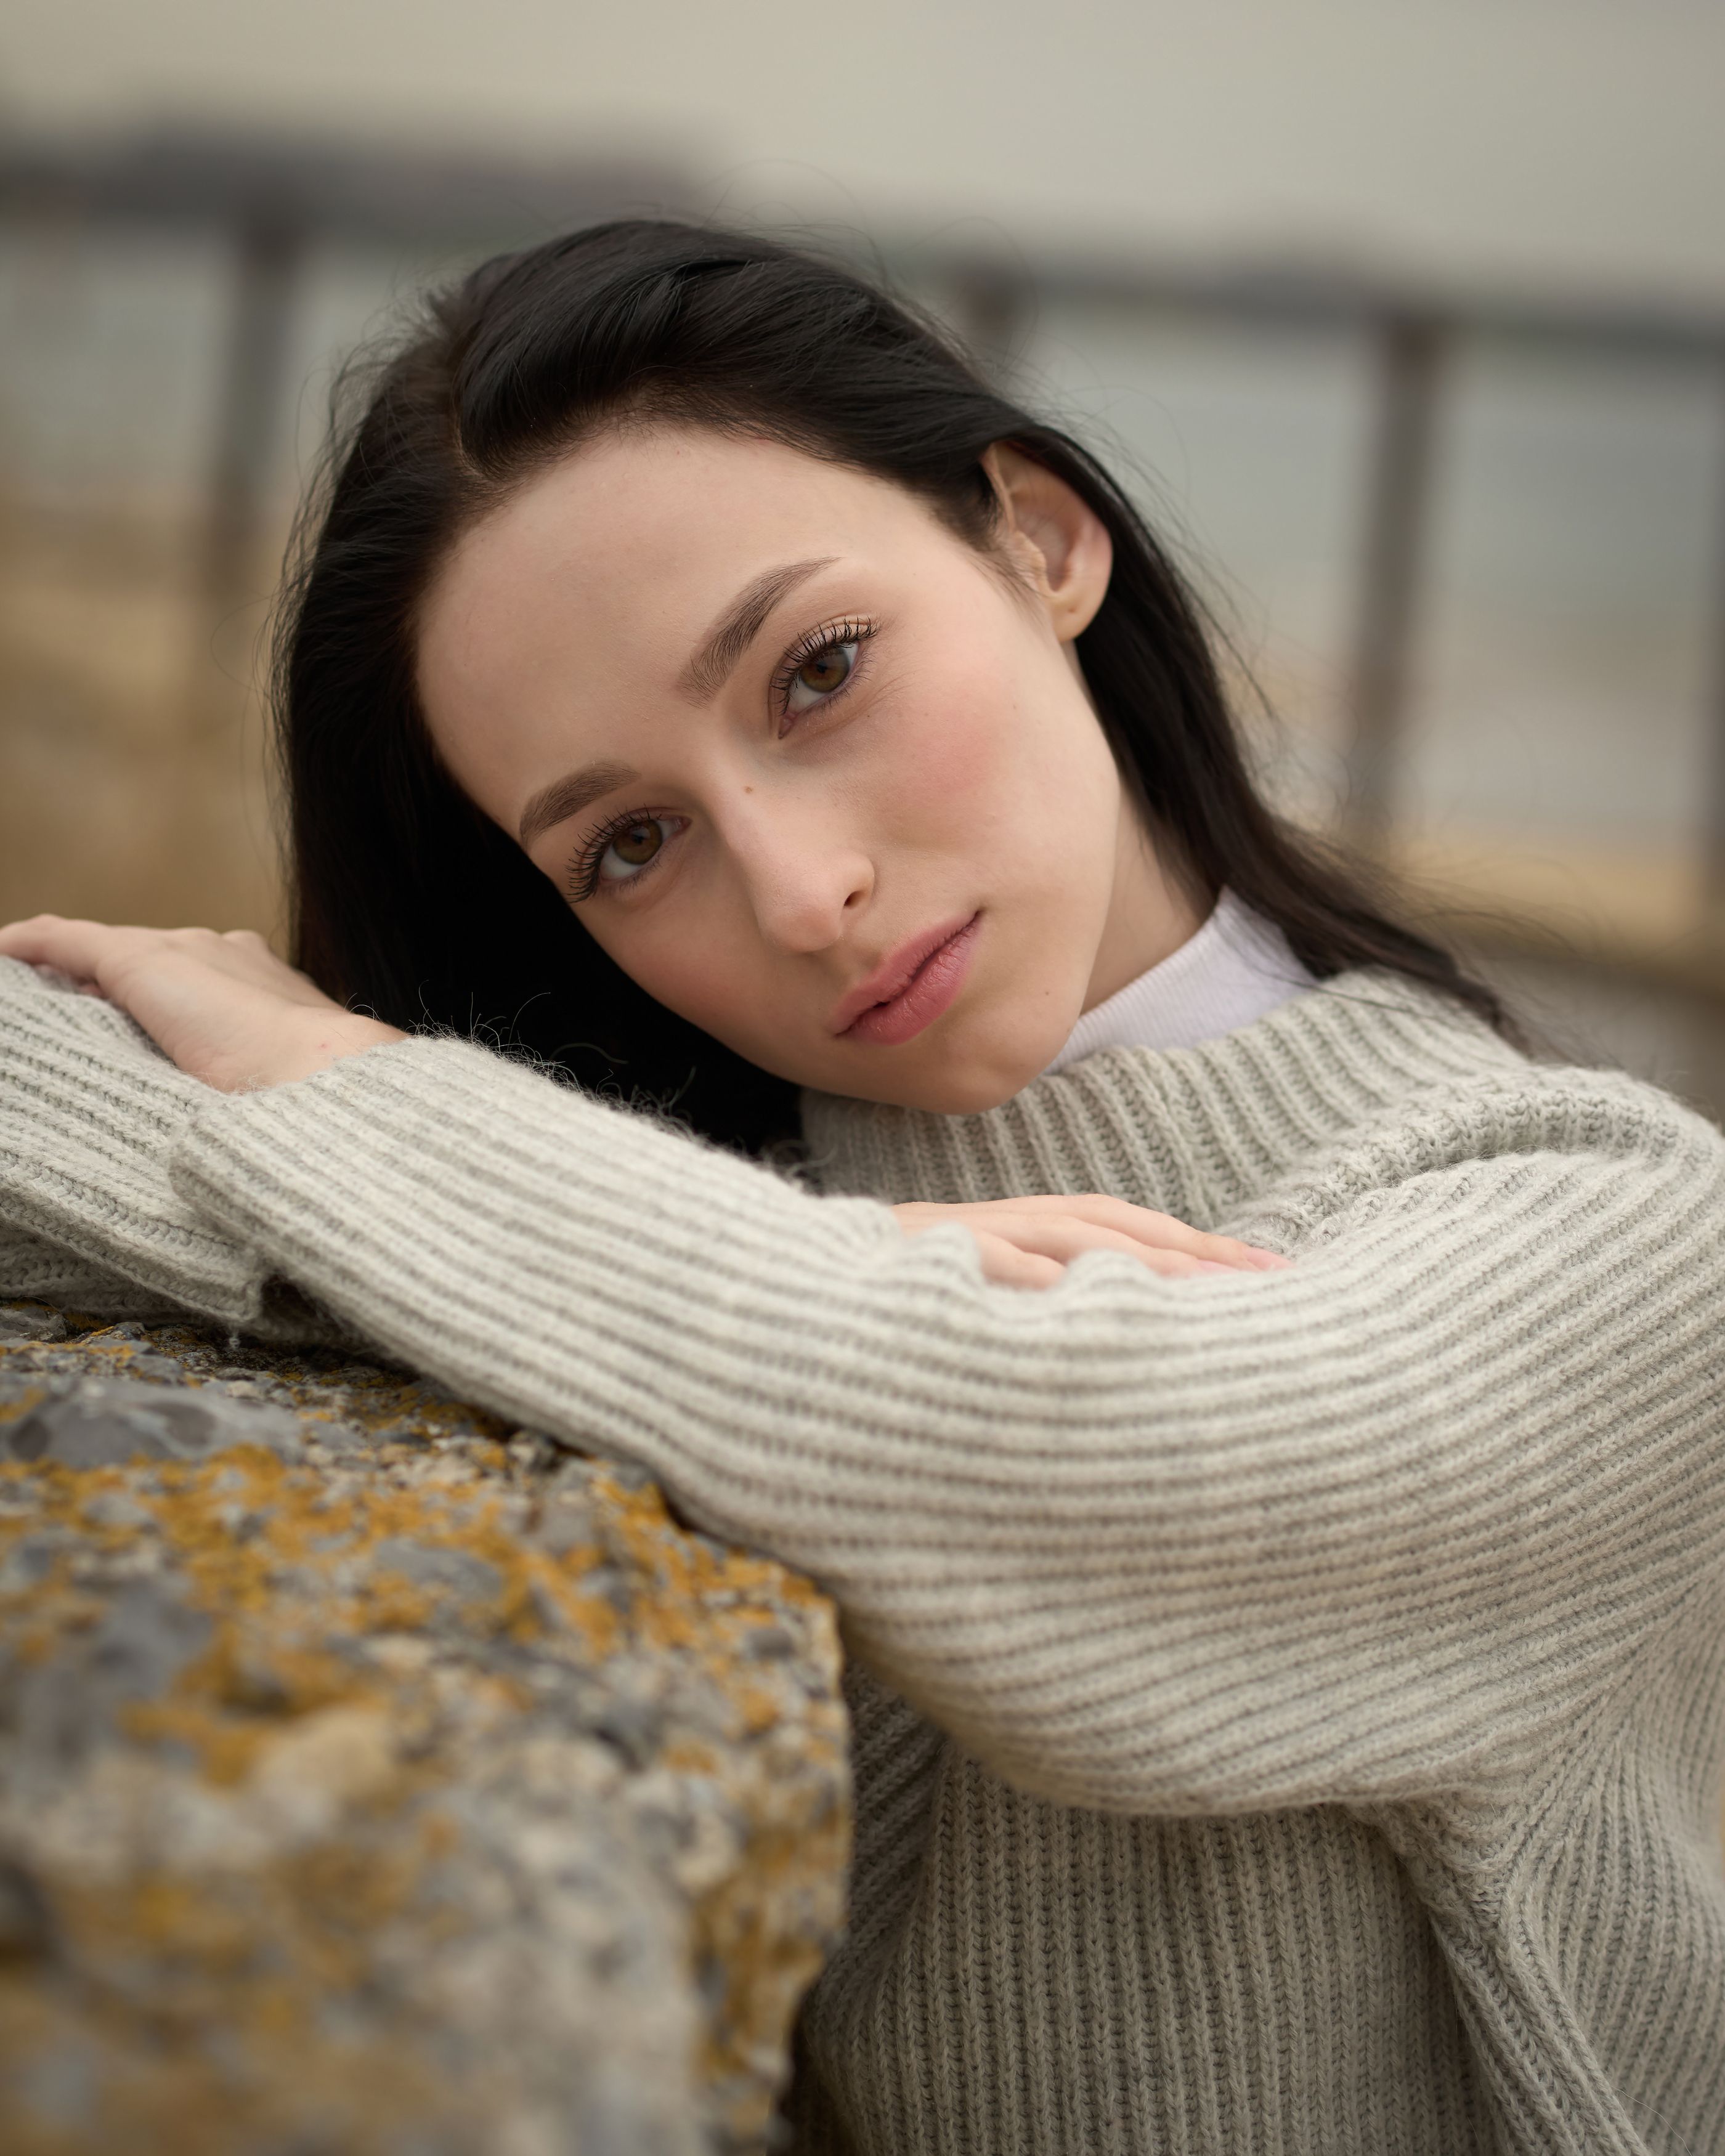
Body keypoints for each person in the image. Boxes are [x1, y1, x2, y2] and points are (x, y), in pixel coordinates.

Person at [2, 221, 1722, 2156]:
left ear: (1039, 539)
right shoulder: (704, 1179)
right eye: (630, 842)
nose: (802, 890)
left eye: (817, 671)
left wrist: (342, 1096)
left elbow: (1061, 1461)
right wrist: (731, 1234)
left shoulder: (1604, 1220)